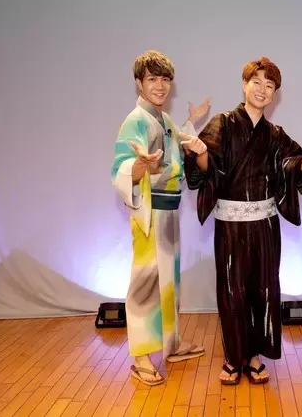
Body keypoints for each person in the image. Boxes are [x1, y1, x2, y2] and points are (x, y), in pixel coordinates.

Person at [184, 57, 302, 385]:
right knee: (232, 290)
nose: (262, 90)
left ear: (275, 94)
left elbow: (290, 163)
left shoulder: (274, 134)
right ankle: (233, 357)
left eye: (269, 86)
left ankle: (254, 355)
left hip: (265, 226)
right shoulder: (223, 123)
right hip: (231, 224)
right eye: (256, 82)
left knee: (263, 290)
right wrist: (200, 153)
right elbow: (207, 169)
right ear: (245, 85)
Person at [111, 50, 211, 386]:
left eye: (165, 79)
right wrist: (139, 165)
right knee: (146, 282)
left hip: (169, 211)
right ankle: (141, 357)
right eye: (152, 78)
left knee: (168, 282)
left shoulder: (163, 118)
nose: (160, 85)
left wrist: (192, 121)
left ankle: (171, 343)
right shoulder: (135, 120)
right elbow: (123, 165)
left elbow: (174, 144)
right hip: (149, 212)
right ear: (139, 83)